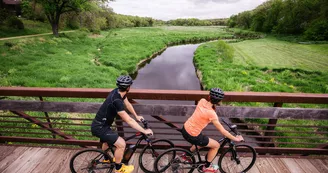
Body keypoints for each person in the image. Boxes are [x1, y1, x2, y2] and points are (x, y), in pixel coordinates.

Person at [91, 75, 153, 173]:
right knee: (121, 144)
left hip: (100, 124)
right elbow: (128, 120)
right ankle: (119, 169)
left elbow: (127, 104)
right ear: (128, 87)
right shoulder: (117, 101)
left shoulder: (117, 92)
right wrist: (144, 131)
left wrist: (136, 116)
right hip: (100, 127)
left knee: (107, 142)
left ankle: (106, 159)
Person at [181, 88, 244, 172]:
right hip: (193, 135)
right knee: (216, 145)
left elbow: (206, 110)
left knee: (203, 140)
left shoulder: (202, 101)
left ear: (209, 96)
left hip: (185, 128)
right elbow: (222, 131)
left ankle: (187, 154)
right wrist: (236, 138)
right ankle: (206, 167)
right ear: (219, 101)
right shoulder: (211, 113)